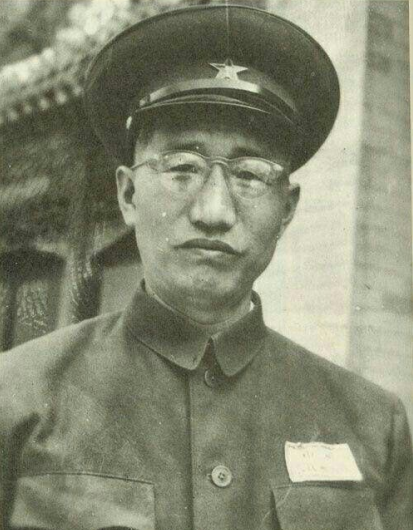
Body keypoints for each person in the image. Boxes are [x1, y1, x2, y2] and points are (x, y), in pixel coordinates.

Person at [0, 5, 412, 530]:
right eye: (182, 167)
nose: (214, 211)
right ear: (128, 194)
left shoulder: (373, 427)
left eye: (250, 174)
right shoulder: (17, 399)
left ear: (287, 209)